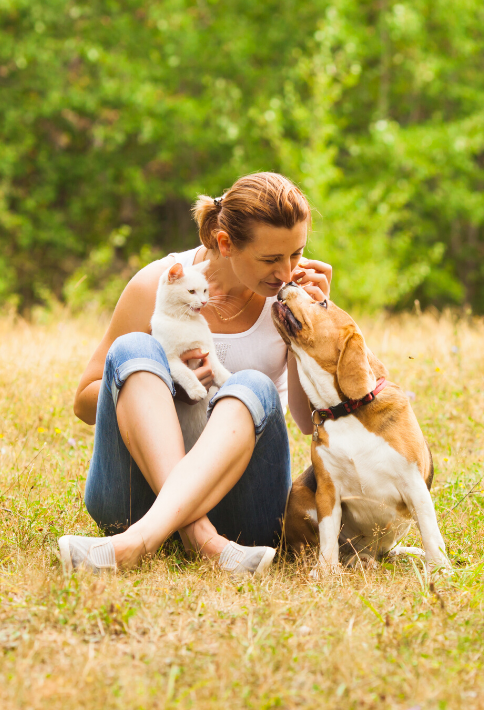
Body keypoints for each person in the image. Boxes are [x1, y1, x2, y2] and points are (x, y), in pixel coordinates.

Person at [58, 172, 332, 576]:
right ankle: (201, 538)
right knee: (135, 349)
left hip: (241, 514)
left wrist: (313, 322)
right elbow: (85, 401)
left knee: (249, 383)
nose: (287, 272)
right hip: (134, 499)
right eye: (271, 259)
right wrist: (165, 386)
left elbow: (309, 422)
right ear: (225, 243)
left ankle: (137, 544)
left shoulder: (293, 300)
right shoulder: (157, 283)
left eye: (297, 253)